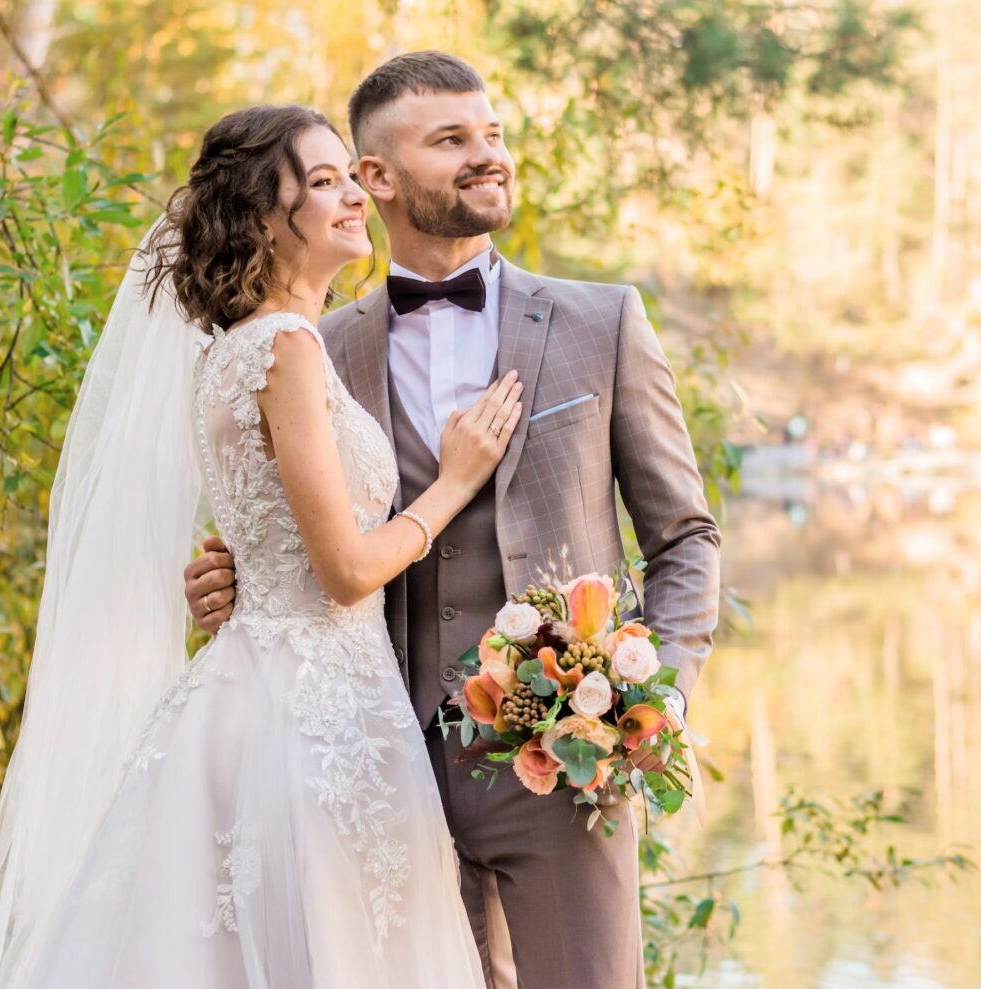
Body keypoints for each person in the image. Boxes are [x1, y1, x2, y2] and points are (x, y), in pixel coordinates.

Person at [0, 104, 518, 988]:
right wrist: (455, 480)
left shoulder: (237, 351)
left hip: (265, 689)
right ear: (260, 216)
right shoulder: (285, 347)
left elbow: (272, 533)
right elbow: (344, 571)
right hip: (316, 714)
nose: (352, 196)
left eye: (347, 175)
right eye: (321, 183)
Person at [186, 52, 722, 988]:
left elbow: (685, 537)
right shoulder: (315, 339)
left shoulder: (604, 324)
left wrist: (654, 697)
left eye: (493, 135)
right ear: (377, 179)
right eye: (451, 140)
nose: (487, 156)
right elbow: (300, 520)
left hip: (560, 765)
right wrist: (232, 575)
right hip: (370, 764)